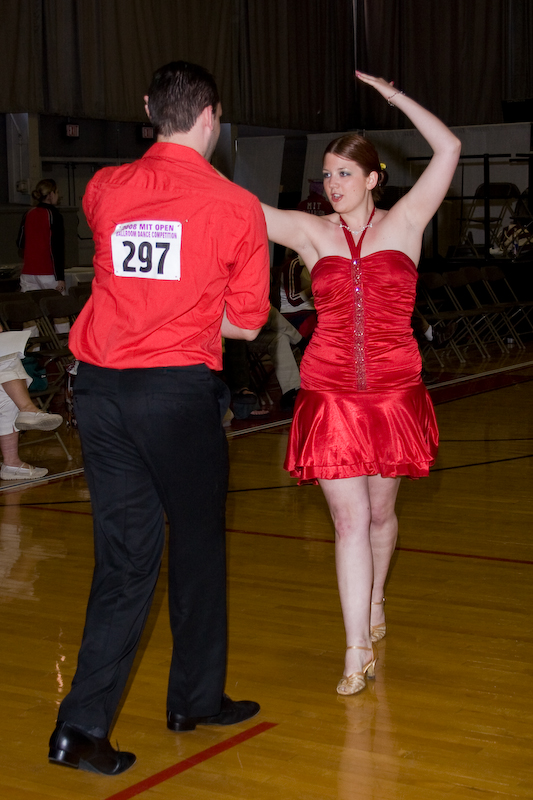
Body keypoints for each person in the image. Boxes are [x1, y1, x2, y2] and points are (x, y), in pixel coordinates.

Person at [48, 61, 270, 775]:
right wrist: (193, 307)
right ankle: (194, 700)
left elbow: (125, 273)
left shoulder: (103, 189)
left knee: (124, 558)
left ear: (149, 108)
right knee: (197, 547)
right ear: (211, 117)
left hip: (99, 392)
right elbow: (246, 325)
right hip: (174, 394)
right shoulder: (236, 205)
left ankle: (79, 727)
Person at [260, 71, 461, 696]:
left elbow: (449, 147)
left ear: (374, 179)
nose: (333, 184)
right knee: (348, 523)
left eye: (345, 173)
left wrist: (394, 96)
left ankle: (374, 599)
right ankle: (355, 648)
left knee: (379, 515)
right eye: (327, 174)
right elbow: (238, 209)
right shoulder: (310, 231)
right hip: (329, 392)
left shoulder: (408, 222)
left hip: (395, 390)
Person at [17, 179, 66, 294]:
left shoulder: (28, 213)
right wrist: (60, 277)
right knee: (58, 304)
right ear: (51, 194)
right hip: (48, 272)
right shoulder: (54, 215)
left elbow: (20, 243)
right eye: (57, 192)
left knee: (31, 304)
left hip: (28, 272)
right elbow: (57, 248)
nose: (58, 196)